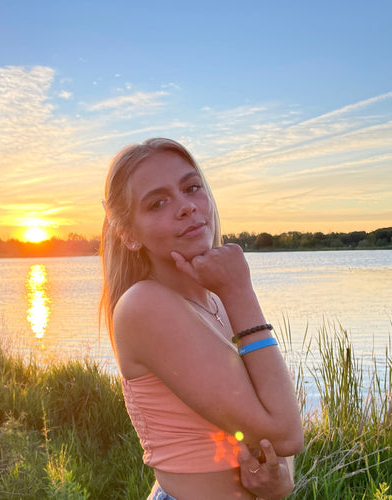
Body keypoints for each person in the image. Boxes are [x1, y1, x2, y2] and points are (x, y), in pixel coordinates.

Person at [100, 138, 304, 500]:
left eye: (192, 188)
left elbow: (276, 417)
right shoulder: (143, 305)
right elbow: (285, 432)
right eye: (158, 202)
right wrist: (242, 292)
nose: (186, 207)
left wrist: (282, 479)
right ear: (129, 235)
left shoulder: (216, 299)